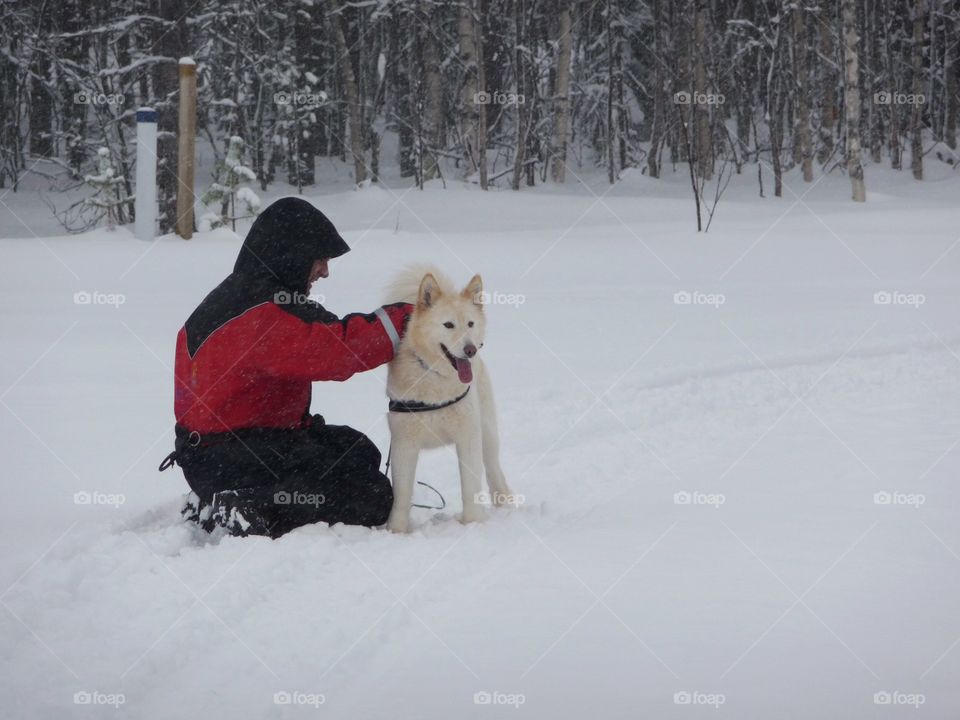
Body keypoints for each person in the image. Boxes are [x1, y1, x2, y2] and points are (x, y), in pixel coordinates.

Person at [159, 197, 412, 538]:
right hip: (233, 456)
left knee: (356, 450)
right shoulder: (262, 314)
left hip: (227, 450)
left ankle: (219, 498)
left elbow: (327, 331)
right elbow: (338, 351)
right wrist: (409, 320)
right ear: (292, 254)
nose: (325, 271)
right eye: (319, 259)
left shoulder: (247, 295)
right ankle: (246, 506)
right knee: (371, 497)